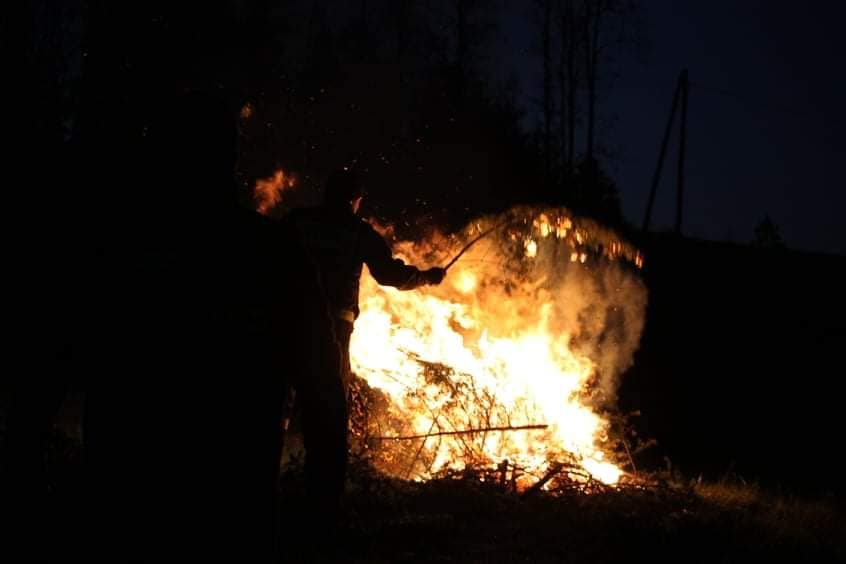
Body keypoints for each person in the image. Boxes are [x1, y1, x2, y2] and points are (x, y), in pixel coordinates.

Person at [287, 168, 445, 534]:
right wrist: (427, 277)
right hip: (331, 330)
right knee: (329, 416)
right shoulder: (356, 231)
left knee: (279, 408)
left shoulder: (298, 222)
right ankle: (323, 512)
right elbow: (390, 274)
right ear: (353, 200)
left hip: (287, 323)